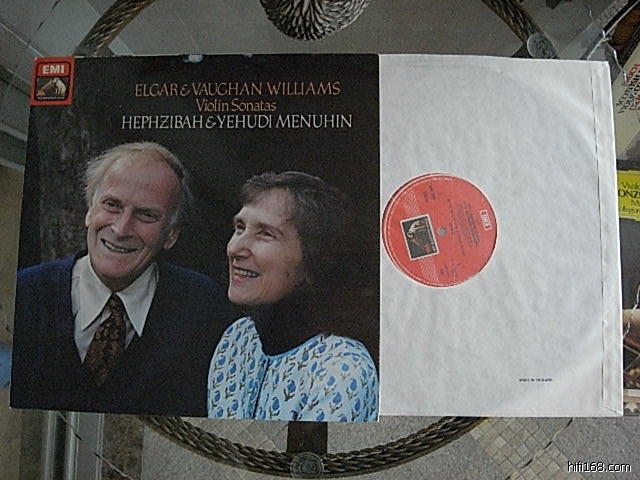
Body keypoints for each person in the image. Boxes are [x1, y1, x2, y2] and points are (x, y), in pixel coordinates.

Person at [11, 141, 231, 415]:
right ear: (90, 210)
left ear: (171, 235)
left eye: (146, 214)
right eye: (112, 205)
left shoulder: (203, 310)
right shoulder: (23, 294)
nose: (121, 228)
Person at [207, 171, 379, 422]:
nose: (235, 248)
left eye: (266, 233)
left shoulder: (342, 367)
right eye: (240, 228)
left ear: (312, 260)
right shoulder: (236, 339)